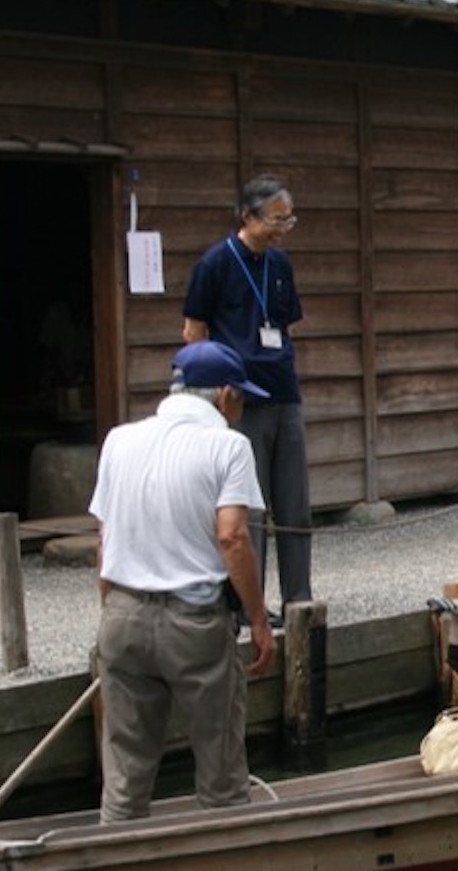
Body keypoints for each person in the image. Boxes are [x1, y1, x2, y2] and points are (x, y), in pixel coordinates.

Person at [90, 341, 278, 823]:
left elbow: (104, 538)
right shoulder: (229, 446)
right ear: (225, 396)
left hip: (124, 613)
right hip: (194, 622)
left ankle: (116, 853)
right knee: (221, 777)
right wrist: (258, 619)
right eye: (241, 401)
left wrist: (111, 608)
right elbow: (233, 537)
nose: (240, 411)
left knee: (125, 779)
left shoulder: (119, 439)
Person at [184, 175, 311, 622]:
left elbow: (288, 324)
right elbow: (193, 333)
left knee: (294, 500)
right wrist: (209, 397)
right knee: (249, 502)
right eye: (276, 220)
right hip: (239, 397)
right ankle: (246, 604)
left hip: (283, 389)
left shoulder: (280, 266)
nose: (282, 229)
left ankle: (299, 599)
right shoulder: (215, 264)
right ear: (247, 217)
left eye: (288, 220)